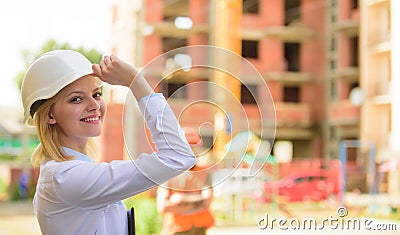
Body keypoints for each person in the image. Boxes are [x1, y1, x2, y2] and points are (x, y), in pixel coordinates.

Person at [20, 50, 196, 235]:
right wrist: (135, 82)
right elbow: (178, 156)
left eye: (96, 94)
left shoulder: (70, 172)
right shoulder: (66, 178)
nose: (94, 105)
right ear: (49, 115)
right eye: (76, 99)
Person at [157, 128, 215, 235]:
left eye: (193, 148)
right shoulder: (168, 174)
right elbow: (163, 206)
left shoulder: (204, 173)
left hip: (199, 229)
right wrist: (197, 200)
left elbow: (206, 202)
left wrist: (180, 199)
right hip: (176, 229)